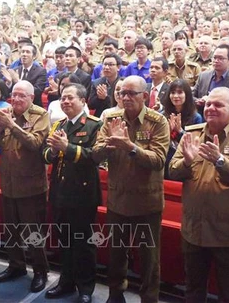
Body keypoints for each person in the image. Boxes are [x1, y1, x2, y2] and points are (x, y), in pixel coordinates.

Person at [169, 86, 229, 302]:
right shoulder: (191, 133)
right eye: (208, 104)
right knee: (193, 289)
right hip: (195, 229)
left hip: (228, 232)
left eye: (218, 105)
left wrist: (220, 161)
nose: (211, 108)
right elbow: (173, 171)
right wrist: (187, 161)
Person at [92, 75, 170, 303]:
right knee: (116, 254)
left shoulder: (157, 122)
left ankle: (149, 298)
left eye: (131, 93)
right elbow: (95, 155)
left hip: (147, 203)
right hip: (118, 200)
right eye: (121, 93)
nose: (125, 98)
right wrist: (109, 144)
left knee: (149, 258)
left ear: (144, 96)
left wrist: (130, 147)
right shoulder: (110, 119)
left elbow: (158, 161)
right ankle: (115, 294)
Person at [42, 83, 102, 303]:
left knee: (83, 242)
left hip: (83, 193)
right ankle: (66, 281)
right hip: (60, 191)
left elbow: (95, 157)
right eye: (63, 98)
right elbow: (46, 155)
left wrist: (67, 148)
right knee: (64, 240)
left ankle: (85, 288)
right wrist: (55, 150)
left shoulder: (95, 125)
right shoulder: (59, 124)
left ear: (83, 101)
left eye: (70, 98)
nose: (65, 102)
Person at [0, 80, 50, 293]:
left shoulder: (40, 115)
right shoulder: (6, 113)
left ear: (31, 98)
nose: (16, 99)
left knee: (33, 233)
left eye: (21, 96)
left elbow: (34, 143)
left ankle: (40, 271)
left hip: (31, 185)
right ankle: (16, 266)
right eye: (14, 95)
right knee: (11, 230)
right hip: (8, 183)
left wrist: (11, 125)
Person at [162, 79, 203, 179]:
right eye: (172, 92)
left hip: (184, 162)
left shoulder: (196, 117)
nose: (176, 96)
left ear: (187, 95)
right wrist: (167, 133)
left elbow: (195, 144)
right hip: (165, 160)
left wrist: (180, 131)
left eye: (180, 92)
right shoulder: (163, 114)